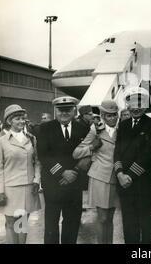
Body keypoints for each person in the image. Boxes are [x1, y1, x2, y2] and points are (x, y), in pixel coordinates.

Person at [37, 96, 90, 244]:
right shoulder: (46, 128)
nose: (64, 113)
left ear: (74, 110)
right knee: (51, 223)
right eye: (61, 110)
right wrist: (63, 172)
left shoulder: (83, 129)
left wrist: (74, 173)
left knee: (72, 222)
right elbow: (43, 155)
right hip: (53, 183)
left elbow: (87, 155)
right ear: (55, 110)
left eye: (68, 110)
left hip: (75, 183)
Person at [113, 87, 151, 244]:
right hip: (124, 183)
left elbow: (147, 156)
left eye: (140, 103)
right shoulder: (123, 124)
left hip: (142, 183)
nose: (136, 107)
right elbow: (117, 152)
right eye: (132, 103)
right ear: (128, 105)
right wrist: (119, 173)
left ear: (145, 105)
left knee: (145, 223)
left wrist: (129, 176)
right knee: (128, 224)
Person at [73, 99, 120, 244]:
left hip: (117, 176)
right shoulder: (96, 130)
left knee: (110, 218)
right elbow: (76, 153)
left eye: (114, 115)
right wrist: (92, 147)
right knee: (102, 217)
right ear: (102, 115)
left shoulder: (122, 129)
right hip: (100, 177)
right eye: (108, 115)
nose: (111, 118)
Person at [0, 104, 41, 244]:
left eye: (23, 118)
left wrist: (37, 180)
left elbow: (37, 162)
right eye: (17, 119)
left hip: (27, 187)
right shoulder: (1, 141)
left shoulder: (32, 139)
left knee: (22, 223)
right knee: (10, 223)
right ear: (9, 121)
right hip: (9, 188)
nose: (21, 121)